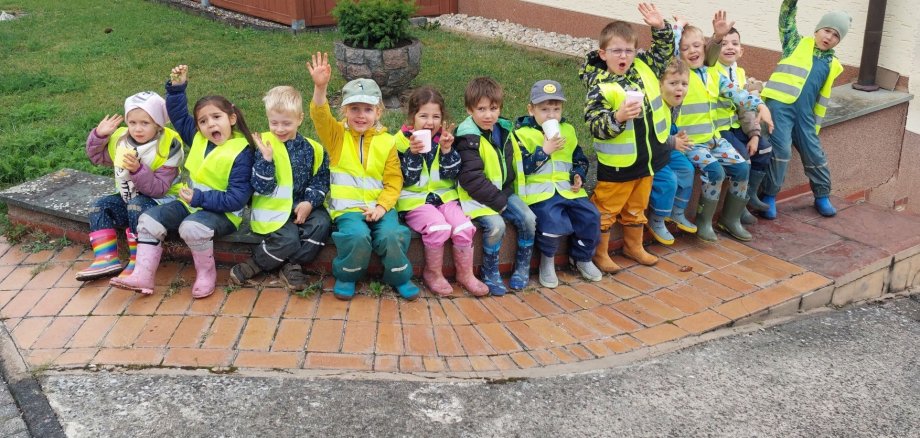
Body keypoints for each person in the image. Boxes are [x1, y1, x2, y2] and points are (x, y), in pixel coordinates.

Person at [110, 65, 255, 298]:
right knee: (148, 220)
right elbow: (177, 115)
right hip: (190, 203)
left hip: (224, 214)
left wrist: (199, 198)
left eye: (217, 117)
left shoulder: (242, 152)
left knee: (191, 227)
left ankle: (206, 275)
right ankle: (143, 276)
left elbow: (237, 198)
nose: (211, 125)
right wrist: (177, 88)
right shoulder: (198, 138)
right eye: (204, 121)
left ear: (232, 118)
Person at [307, 52, 419, 301]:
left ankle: (399, 277)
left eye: (367, 109)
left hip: (381, 207)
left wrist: (381, 207)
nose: (360, 115)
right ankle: (347, 275)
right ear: (344, 111)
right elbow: (319, 115)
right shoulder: (336, 137)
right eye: (354, 109)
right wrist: (320, 87)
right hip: (348, 210)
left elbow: (393, 181)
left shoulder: (387, 142)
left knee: (392, 235)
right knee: (356, 237)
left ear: (378, 112)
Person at [579, 3, 673, 272]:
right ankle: (600, 252)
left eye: (629, 50)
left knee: (637, 206)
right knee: (606, 209)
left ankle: (633, 246)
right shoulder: (600, 86)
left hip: (646, 159)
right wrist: (618, 118)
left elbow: (664, 54)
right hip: (618, 165)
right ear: (603, 53)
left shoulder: (643, 68)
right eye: (617, 51)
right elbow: (596, 126)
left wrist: (660, 28)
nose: (624, 56)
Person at [229, 86, 332, 291]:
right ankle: (256, 264)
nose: (279, 129)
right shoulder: (264, 146)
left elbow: (321, 179)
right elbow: (262, 187)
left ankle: (292, 265)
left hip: (302, 204)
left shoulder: (313, 148)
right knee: (289, 238)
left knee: (322, 224)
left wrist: (309, 203)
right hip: (273, 208)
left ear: (300, 119)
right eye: (274, 122)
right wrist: (266, 160)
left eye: (287, 123)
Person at [676, 24, 773, 242]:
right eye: (685, 48)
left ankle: (730, 219)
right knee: (716, 173)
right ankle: (703, 222)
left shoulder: (713, 75)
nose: (692, 51)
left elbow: (738, 94)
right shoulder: (680, 76)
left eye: (697, 46)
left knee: (741, 167)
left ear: (705, 48)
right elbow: (670, 55)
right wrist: (675, 27)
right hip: (690, 142)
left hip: (712, 140)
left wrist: (760, 106)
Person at [76, 91, 184, 281]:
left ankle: (138, 261)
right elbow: (97, 157)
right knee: (99, 206)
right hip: (129, 196)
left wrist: (137, 169)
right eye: (132, 122)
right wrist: (98, 136)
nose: (137, 129)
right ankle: (106, 258)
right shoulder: (121, 139)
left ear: (158, 123)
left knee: (136, 206)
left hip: (162, 201)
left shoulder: (169, 144)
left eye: (145, 123)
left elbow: (159, 189)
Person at [395, 86, 489, 297]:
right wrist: (413, 154)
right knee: (438, 228)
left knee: (464, 227)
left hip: (444, 197)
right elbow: (404, 179)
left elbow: (451, 174)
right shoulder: (400, 142)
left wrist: (447, 150)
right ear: (412, 117)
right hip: (414, 202)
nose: (430, 122)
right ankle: (433, 273)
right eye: (424, 116)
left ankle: (465, 274)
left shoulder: (443, 140)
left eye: (436, 116)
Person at [760, 0, 850, 218]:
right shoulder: (795, 43)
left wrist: (813, 121)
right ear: (817, 29)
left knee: (814, 153)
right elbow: (786, 19)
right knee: (781, 151)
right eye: (827, 31)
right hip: (780, 107)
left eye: (836, 35)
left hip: (805, 114)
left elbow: (820, 95)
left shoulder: (832, 64)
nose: (829, 37)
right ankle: (769, 197)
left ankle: (822, 195)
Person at [512, 80, 602, 289]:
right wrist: (545, 150)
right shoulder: (521, 134)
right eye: (544, 109)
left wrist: (578, 175)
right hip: (540, 194)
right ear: (531, 109)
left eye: (556, 109)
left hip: (569, 191)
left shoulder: (568, 130)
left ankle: (582, 258)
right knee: (551, 222)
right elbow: (521, 168)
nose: (551, 115)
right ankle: (547, 260)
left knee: (591, 217)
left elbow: (579, 159)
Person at [456, 76, 537, 296]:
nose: (488, 115)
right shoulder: (467, 138)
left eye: (493, 108)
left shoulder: (504, 130)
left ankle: (522, 267)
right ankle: (490, 271)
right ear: (469, 110)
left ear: (500, 108)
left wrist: (509, 196)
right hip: (476, 197)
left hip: (503, 191)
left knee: (528, 219)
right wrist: (501, 204)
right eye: (481, 109)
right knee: (496, 226)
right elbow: (471, 179)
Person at [705, 16, 774, 225]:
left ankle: (745, 201)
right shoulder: (711, 69)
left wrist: (754, 134)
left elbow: (745, 108)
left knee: (764, 149)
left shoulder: (740, 73)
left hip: (739, 126)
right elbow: (740, 98)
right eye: (724, 44)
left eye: (734, 44)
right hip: (721, 128)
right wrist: (759, 104)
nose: (729, 47)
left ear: (742, 51)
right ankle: (731, 215)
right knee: (743, 158)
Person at [646, 59, 697, 245]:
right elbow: (651, 136)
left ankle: (677, 211)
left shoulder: (674, 104)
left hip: (667, 146)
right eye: (673, 83)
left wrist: (676, 134)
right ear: (660, 85)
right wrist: (672, 141)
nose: (679, 89)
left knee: (686, 169)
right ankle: (657, 219)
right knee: (668, 180)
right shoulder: (655, 105)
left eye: (684, 84)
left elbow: (668, 126)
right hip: (653, 153)